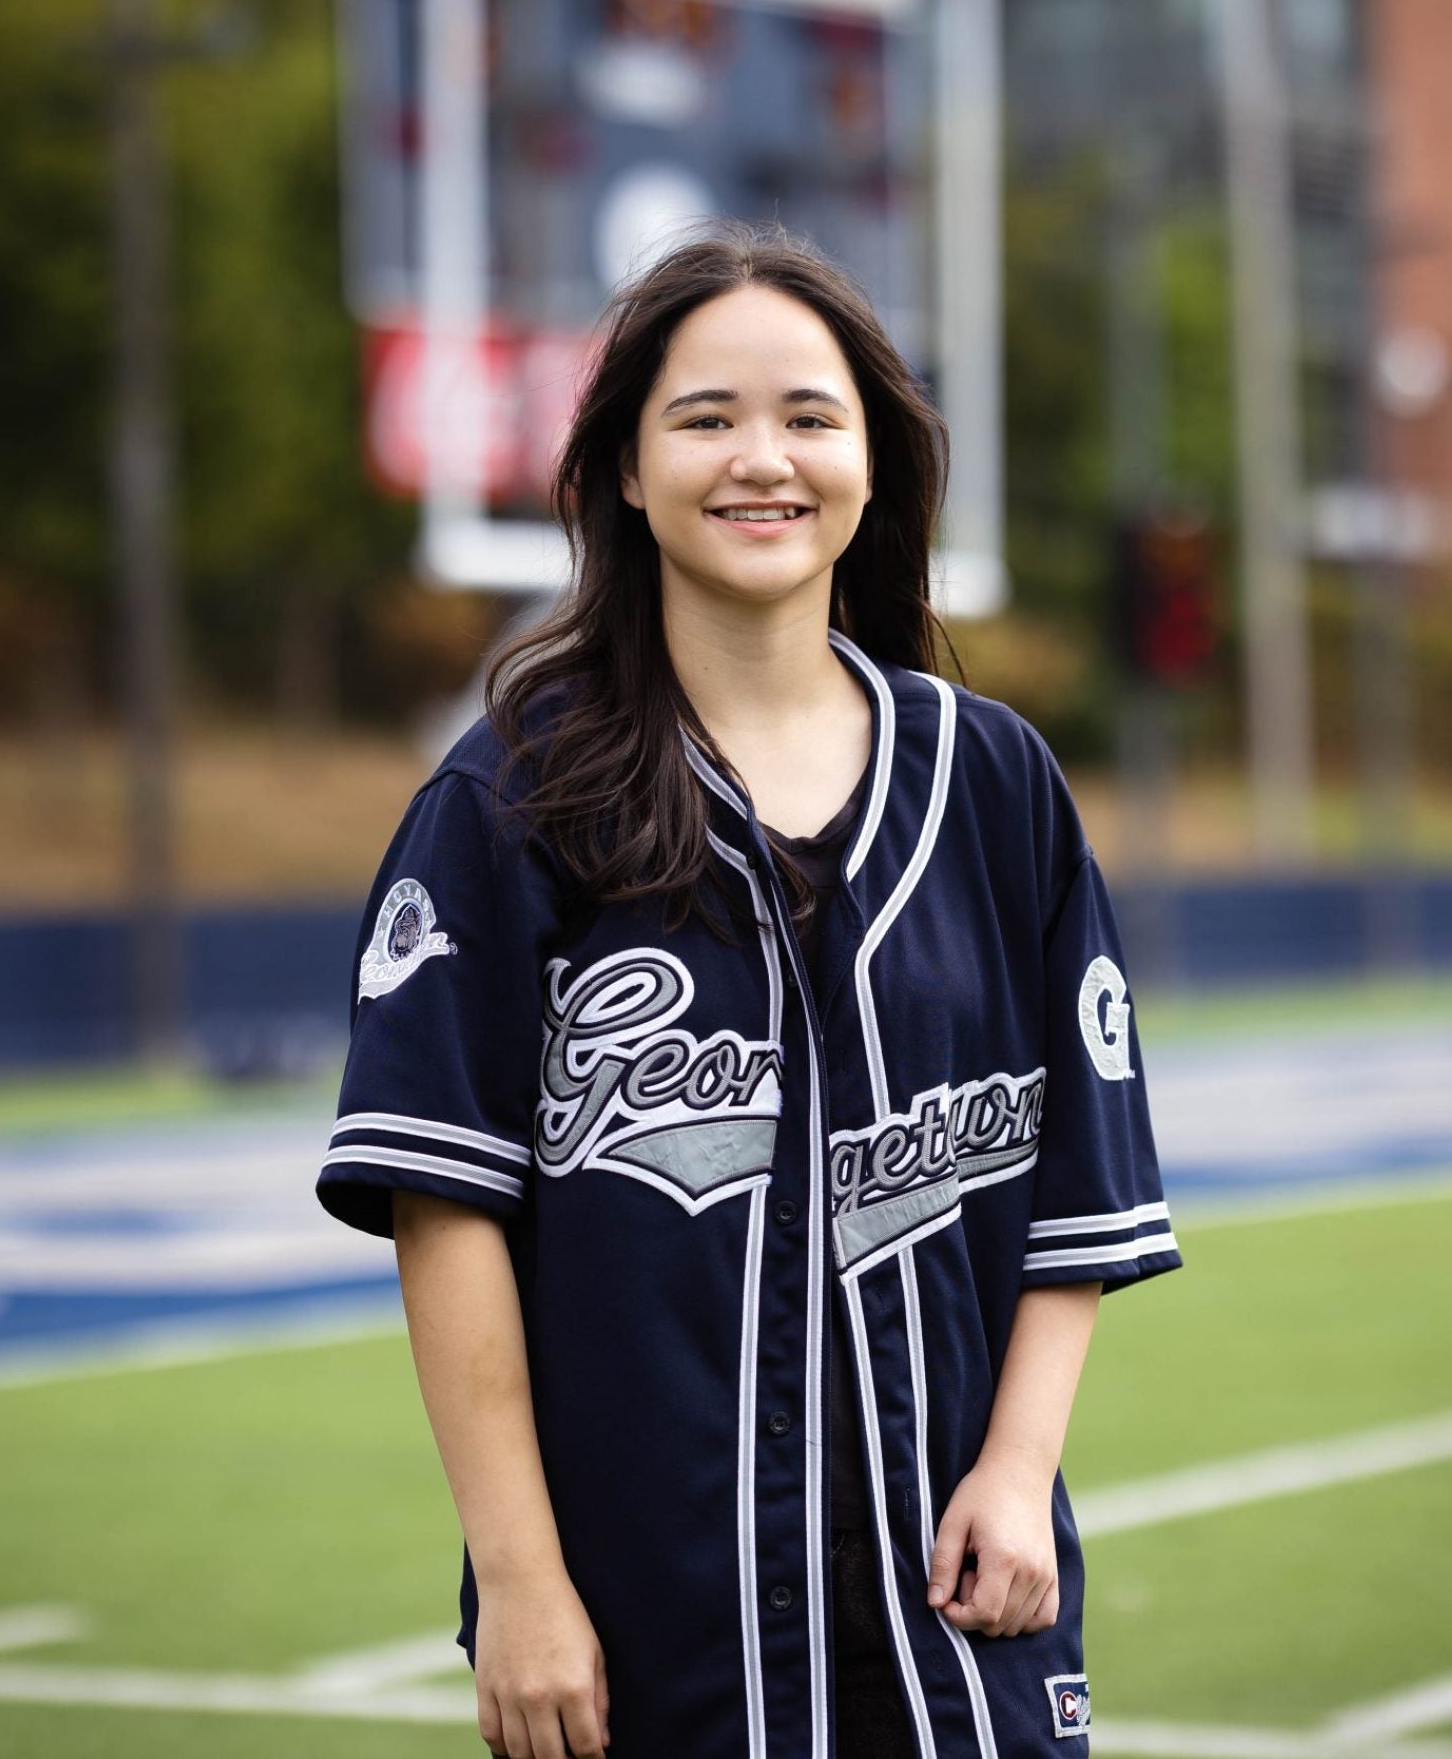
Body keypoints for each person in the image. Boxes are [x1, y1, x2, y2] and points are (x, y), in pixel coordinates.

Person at [315, 218, 1181, 1759]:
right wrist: (517, 1580)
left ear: (873, 463)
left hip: (960, 1608)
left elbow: (1079, 1190)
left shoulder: (994, 784)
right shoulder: (509, 796)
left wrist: (1016, 1466)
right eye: (705, 417)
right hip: (649, 1620)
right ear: (624, 475)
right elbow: (445, 1209)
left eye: (808, 417)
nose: (759, 459)